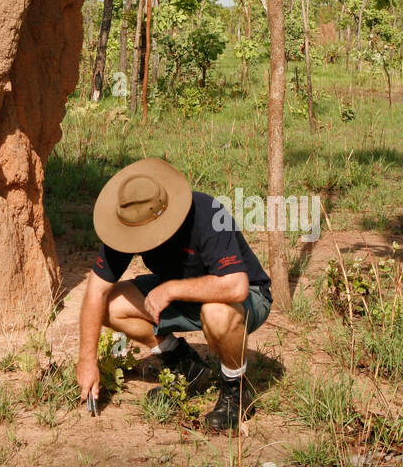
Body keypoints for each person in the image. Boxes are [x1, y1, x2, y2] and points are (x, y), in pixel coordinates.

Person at [76, 157, 272, 432]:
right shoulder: (129, 223)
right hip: (183, 291)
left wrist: (171, 289)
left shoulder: (207, 213)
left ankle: (235, 390)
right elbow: (95, 291)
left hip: (244, 297)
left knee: (215, 313)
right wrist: (87, 360)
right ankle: (187, 367)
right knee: (109, 305)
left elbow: (236, 286)